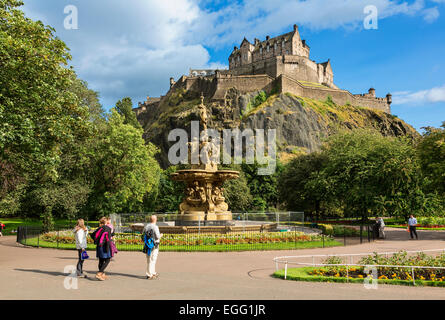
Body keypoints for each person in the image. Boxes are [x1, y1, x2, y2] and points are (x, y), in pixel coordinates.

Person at [143, 215, 162, 280]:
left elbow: (143, 235)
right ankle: (149, 274)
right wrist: (161, 235)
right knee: (153, 259)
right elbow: (157, 236)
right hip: (155, 244)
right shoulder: (155, 227)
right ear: (155, 220)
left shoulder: (146, 226)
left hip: (148, 244)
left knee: (149, 259)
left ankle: (152, 272)